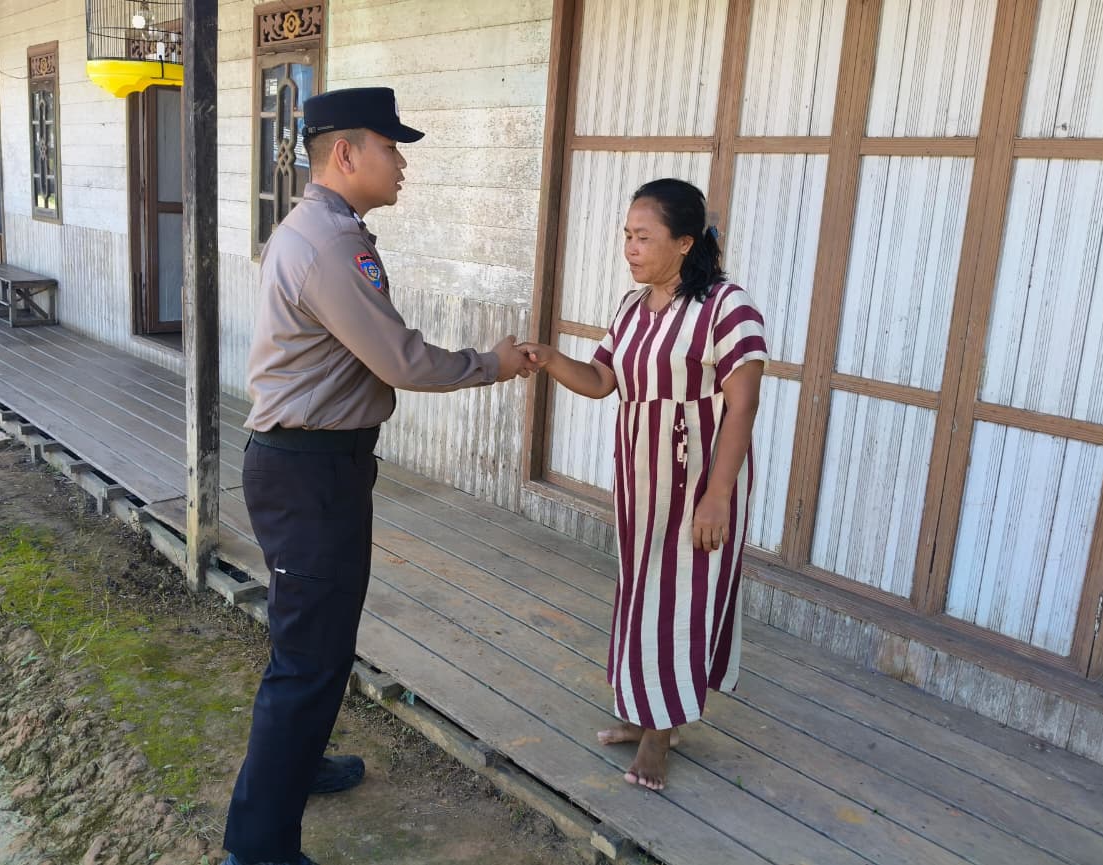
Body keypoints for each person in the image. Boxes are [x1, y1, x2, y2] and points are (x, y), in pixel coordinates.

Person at [223, 87, 532, 865]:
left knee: (319, 639)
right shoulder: (331, 244)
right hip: (308, 473)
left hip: (318, 468)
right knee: (307, 655)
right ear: (347, 154)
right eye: (393, 150)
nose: (403, 166)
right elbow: (400, 358)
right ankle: (257, 848)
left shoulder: (322, 231)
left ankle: (298, 766)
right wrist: (490, 363)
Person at [518, 178, 767, 791]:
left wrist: (716, 497)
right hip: (641, 480)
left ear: (684, 242)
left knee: (684, 599)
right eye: (626, 236)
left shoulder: (727, 309)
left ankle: (662, 730)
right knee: (642, 591)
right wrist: (550, 359)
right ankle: (643, 710)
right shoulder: (633, 309)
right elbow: (603, 381)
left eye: (643, 237)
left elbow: (742, 408)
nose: (629, 248)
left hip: (700, 484)